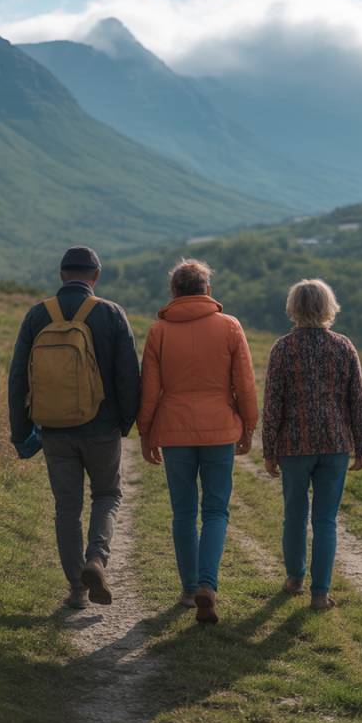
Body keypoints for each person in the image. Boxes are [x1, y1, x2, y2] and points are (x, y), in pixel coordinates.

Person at [8, 246, 140, 610]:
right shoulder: (111, 313)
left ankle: (76, 588)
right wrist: (126, 421)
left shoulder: (38, 315)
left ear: (62, 274)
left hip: (53, 427)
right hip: (102, 427)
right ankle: (96, 560)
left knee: (66, 506)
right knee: (107, 495)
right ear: (95, 276)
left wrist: (21, 432)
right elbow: (129, 373)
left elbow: (18, 376)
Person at [137, 259, 257, 624]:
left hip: (174, 432)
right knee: (216, 510)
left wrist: (146, 431)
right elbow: (245, 384)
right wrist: (248, 426)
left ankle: (189, 590)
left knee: (184, 512)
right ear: (207, 290)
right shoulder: (229, 327)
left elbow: (150, 390)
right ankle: (208, 584)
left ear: (174, 291)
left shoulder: (159, 331)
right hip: (220, 430)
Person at [262, 279, 362, 612]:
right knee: (325, 520)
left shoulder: (283, 348)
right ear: (327, 307)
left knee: (294, 515)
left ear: (294, 308)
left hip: (294, 446)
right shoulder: (343, 346)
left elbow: (272, 404)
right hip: (335, 443)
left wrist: (268, 450)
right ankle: (320, 593)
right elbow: (358, 401)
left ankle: (295, 578)